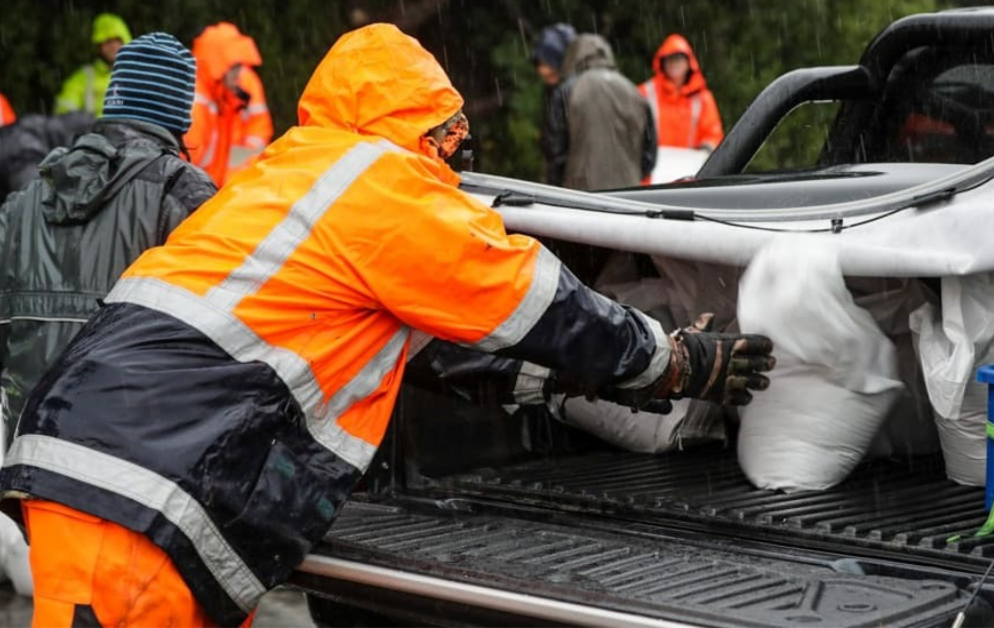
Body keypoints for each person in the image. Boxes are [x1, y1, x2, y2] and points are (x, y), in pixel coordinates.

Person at [0, 24, 774, 627]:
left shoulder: (287, 174)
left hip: (113, 465)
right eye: (444, 132)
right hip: (137, 495)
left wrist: (572, 376)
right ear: (408, 122)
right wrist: (671, 363)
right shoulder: (382, 185)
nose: (453, 152)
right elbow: (536, 298)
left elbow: (432, 346)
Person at [0, 32, 215, 451]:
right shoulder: (184, 195)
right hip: (124, 467)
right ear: (180, 116)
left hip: (20, 459)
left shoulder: (25, 199)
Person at [544, 33, 657, 191]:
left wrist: (555, 186)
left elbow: (555, 151)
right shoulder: (635, 92)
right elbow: (649, 157)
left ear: (573, 56)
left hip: (579, 196)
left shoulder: (568, 90)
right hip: (627, 197)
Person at [186, 22, 273, 187]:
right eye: (234, 68)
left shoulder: (220, 99)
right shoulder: (198, 108)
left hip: (211, 195)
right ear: (218, 67)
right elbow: (181, 173)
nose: (239, 75)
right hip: (197, 200)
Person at [639, 34, 724, 151]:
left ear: (689, 62)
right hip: (653, 165)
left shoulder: (703, 98)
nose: (674, 63)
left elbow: (713, 133)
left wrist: (707, 148)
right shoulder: (646, 92)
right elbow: (632, 127)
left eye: (678, 58)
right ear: (662, 62)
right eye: (670, 59)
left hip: (691, 165)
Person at [54, 13, 132, 117]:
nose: (112, 46)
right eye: (107, 41)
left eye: (116, 40)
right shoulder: (83, 78)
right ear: (98, 46)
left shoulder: (141, 74)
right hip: (93, 131)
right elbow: (63, 115)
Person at [532, 23, 576, 185]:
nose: (542, 71)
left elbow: (559, 150)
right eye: (540, 64)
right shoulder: (552, 90)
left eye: (548, 63)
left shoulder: (573, 92)